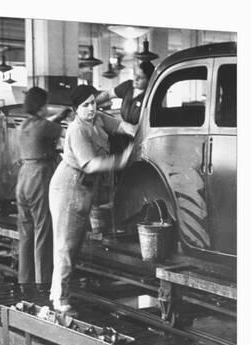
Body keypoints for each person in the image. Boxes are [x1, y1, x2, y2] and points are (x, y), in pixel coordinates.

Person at [49, 85, 136, 315]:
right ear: (75, 109)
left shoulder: (97, 118)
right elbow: (91, 164)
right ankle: (60, 300)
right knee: (66, 245)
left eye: (93, 102)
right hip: (69, 186)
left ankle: (58, 291)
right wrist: (121, 160)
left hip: (84, 186)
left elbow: (119, 125)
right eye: (85, 105)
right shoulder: (77, 130)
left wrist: (137, 133)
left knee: (73, 245)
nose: (91, 108)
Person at [16, 87, 71, 295]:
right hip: (39, 176)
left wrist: (59, 116)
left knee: (26, 230)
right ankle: (43, 280)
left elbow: (47, 124)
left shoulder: (24, 125)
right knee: (43, 227)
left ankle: (25, 279)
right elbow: (60, 129)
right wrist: (66, 115)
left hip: (23, 177)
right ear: (41, 106)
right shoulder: (44, 126)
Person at [95, 61, 154, 153]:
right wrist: (93, 102)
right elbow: (108, 94)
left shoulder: (150, 95)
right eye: (135, 74)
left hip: (139, 138)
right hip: (123, 134)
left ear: (149, 80)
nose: (136, 79)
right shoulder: (128, 86)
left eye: (141, 77)